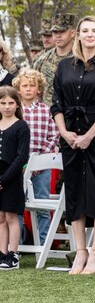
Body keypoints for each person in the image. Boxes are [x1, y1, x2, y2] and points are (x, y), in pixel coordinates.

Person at [52, 16, 95, 275]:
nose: (89, 34)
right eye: (85, 31)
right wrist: (65, 133)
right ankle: (80, 251)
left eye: (94, 31)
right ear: (78, 35)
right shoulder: (63, 67)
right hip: (69, 136)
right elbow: (56, 103)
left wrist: (89, 136)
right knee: (74, 192)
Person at [12, 69, 59, 245]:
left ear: (39, 89)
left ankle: (44, 242)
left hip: (41, 167)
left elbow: (54, 137)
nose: (29, 89)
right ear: (18, 89)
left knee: (42, 206)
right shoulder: (15, 111)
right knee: (16, 207)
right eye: (25, 85)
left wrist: (40, 159)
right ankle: (16, 244)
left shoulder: (46, 111)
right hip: (18, 166)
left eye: (33, 86)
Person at [0, 87, 31, 270]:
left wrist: (3, 180)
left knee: (11, 216)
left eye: (11, 103)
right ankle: (2, 253)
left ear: (17, 104)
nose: (7, 107)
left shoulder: (21, 126)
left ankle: (13, 254)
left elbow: (22, 157)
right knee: (1, 217)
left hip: (11, 177)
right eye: (3, 103)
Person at [34, 14, 76, 105]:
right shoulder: (41, 61)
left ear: (72, 33)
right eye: (54, 32)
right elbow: (36, 94)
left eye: (62, 31)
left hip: (73, 115)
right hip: (48, 115)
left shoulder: (82, 59)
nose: (58, 35)